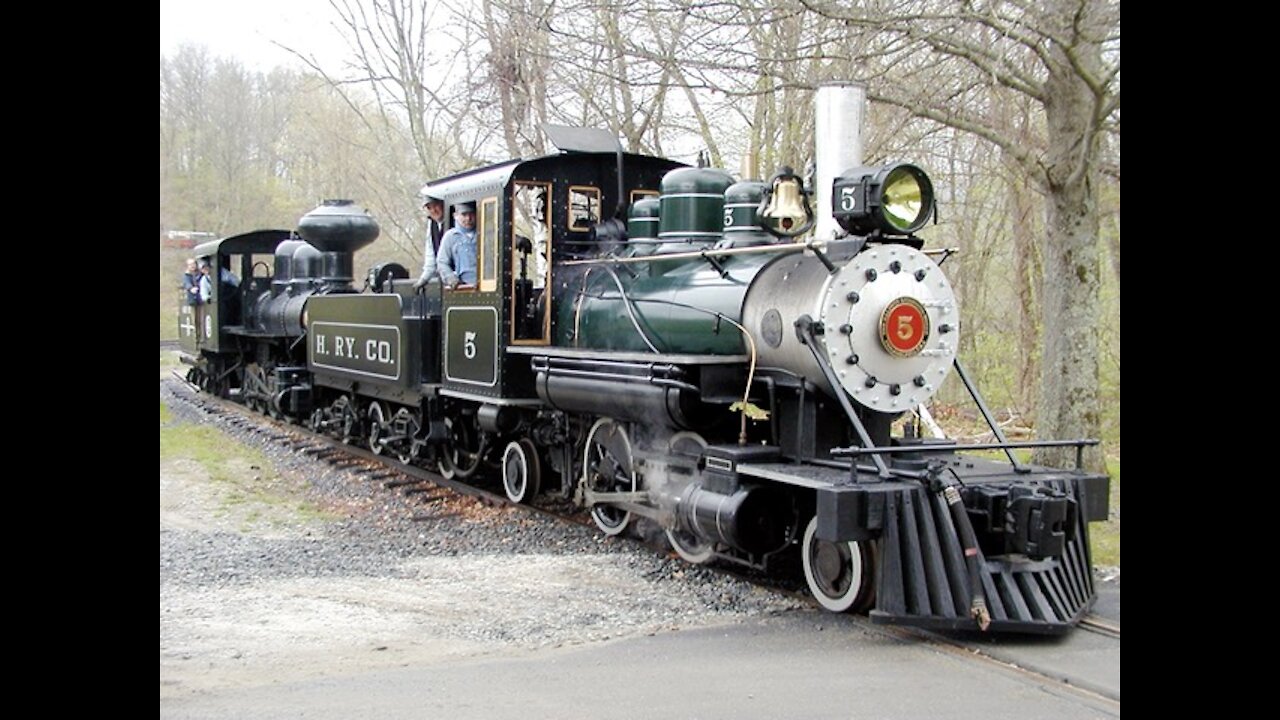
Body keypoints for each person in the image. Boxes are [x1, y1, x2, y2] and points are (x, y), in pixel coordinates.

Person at [437, 201, 478, 288]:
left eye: (472, 214)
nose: (468, 218)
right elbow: (442, 262)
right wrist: (451, 279)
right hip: (464, 286)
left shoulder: (485, 232)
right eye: (464, 214)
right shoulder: (450, 236)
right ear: (455, 216)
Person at [413, 194, 447, 290]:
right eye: (429, 207)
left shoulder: (457, 222)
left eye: (435, 205)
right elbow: (431, 256)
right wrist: (423, 279)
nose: (433, 210)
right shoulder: (431, 225)